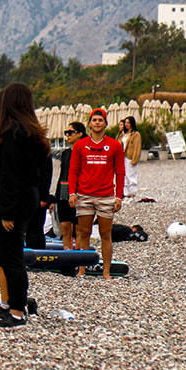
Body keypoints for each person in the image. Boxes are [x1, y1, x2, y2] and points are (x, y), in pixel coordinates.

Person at [0, 83, 51, 328]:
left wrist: (6, 210)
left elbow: (9, 175)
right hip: (28, 196)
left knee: (10, 257)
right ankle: (12, 303)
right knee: (9, 254)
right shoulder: (32, 134)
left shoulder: (12, 134)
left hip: (12, 200)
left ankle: (18, 311)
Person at [69, 107, 126, 279]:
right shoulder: (80, 145)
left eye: (100, 120)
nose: (97, 123)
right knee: (83, 232)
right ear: (90, 123)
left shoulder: (115, 145)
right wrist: (72, 193)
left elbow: (120, 172)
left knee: (105, 233)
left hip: (106, 195)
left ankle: (106, 271)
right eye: (94, 120)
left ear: (105, 123)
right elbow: (73, 171)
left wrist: (119, 196)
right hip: (85, 195)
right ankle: (82, 269)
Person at [53, 122, 86, 249]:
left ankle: (79, 256)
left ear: (79, 134)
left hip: (79, 192)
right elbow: (62, 174)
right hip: (63, 190)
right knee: (65, 228)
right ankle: (67, 253)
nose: (67, 135)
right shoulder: (66, 153)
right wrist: (55, 198)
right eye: (65, 133)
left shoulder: (84, 151)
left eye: (70, 132)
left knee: (78, 229)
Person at [120, 115, 142, 198]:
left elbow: (137, 147)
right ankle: (126, 194)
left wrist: (135, 159)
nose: (126, 124)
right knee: (124, 175)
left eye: (128, 122)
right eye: (125, 122)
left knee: (131, 176)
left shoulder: (136, 134)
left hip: (130, 156)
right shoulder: (124, 134)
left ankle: (132, 194)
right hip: (123, 157)